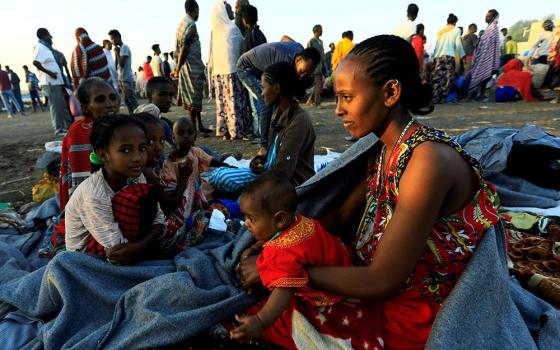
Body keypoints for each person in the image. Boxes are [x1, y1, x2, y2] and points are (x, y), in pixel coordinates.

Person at [237, 35, 500, 349]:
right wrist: (274, 242)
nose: (338, 110)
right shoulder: (385, 148)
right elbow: (340, 215)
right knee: (261, 305)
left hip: (415, 305)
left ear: (390, 92)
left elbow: (382, 281)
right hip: (369, 275)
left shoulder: (427, 162)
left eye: (347, 98)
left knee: (273, 319)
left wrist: (282, 271)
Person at [230, 172, 357, 348]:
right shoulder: (298, 220)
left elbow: (284, 290)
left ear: (280, 219)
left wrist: (261, 320)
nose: (246, 223)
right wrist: (254, 247)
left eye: (251, 218)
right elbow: (273, 233)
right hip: (342, 257)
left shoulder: (281, 254)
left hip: (333, 291)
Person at [64, 114, 165, 264]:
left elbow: (159, 218)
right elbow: (117, 250)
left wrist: (138, 247)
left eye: (142, 148)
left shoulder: (135, 176)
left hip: (131, 243)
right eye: (126, 150)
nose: (137, 157)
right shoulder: (95, 194)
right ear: (103, 155)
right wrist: (143, 245)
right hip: (85, 257)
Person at [210, 62, 316, 193]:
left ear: (276, 88)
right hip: (272, 173)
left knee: (224, 178)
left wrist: (256, 186)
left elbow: (283, 171)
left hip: (289, 183)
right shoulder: (277, 113)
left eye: (263, 87)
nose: (262, 92)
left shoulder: (299, 121)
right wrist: (259, 160)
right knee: (219, 174)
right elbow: (273, 153)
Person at [237, 42, 319, 147]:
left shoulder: (299, 49)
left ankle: (278, 131)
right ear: (298, 59)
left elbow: (284, 38)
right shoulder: (282, 62)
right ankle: (265, 143)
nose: (303, 76)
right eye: (302, 71)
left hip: (264, 67)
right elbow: (275, 90)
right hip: (247, 68)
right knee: (266, 101)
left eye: (308, 73)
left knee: (279, 99)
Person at [160, 117, 229, 242]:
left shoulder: (195, 151)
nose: (186, 136)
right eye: (181, 133)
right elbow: (172, 199)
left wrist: (228, 166)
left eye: (190, 133)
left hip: (197, 198)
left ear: (195, 137)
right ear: (173, 138)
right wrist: (185, 175)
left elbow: (211, 160)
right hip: (181, 204)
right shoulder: (169, 163)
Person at [59, 77, 120, 211]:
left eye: (113, 97)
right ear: (86, 108)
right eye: (100, 100)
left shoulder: (118, 125)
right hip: (91, 207)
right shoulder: (80, 132)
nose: (110, 104)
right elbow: (83, 185)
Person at [208, 0, 250, 140]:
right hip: (232, 71)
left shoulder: (216, 31)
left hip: (219, 73)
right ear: (224, 12)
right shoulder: (232, 29)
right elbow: (240, 50)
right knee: (234, 102)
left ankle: (224, 129)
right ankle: (236, 130)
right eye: (229, 9)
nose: (232, 11)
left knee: (223, 103)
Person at [172, 0, 211, 134]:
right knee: (193, 99)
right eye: (198, 11)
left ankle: (199, 125)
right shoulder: (190, 25)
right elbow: (184, 48)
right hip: (190, 67)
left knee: (196, 98)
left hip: (189, 65)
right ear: (194, 10)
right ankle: (193, 128)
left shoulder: (182, 23)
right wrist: (177, 68)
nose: (198, 14)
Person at [33, 28, 73, 135]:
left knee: (62, 105)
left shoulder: (48, 49)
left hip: (57, 82)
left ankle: (68, 127)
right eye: (49, 35)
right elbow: (36, 63)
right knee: (56, 106)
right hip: (50, 82)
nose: (51, 37)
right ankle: (58, 129)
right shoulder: (40, 47)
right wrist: (50, 73)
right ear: (44, 36)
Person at [464, 9, 501, 100]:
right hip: (481, 56)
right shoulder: (489, 28)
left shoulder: (493, 29)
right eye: (486, 16)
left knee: (485, 76)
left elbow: (490, 44)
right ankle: (478, 94)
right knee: (480, 75)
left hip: (487, 56)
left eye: (488, 16)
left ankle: (479, 94)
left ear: (493, 17)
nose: (486, 18)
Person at [432, 14, 466, 103]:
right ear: (455, 22)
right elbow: (458, 44)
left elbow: (437, 45)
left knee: (438, 78)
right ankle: (443, 97)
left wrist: (434, 56)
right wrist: (462, 55)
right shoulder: (456, 30)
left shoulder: (441, 31)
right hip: (448, 56)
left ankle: (435, 97)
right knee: (448, 78)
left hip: (438, 56)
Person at [108, 29, 138, 114]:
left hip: (126, 79)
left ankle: (139, 116)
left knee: (132, 100)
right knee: (127, 101)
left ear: (118, 37)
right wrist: (116, 53)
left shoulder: (125, 47)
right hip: (122, 79)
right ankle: (132, 116)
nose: (112, 41)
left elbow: (122, 64)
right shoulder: (120, 49)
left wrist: (117, 53)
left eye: (112, 39)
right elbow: (116, 65)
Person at [138, 76, 175, 144]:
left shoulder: (141, 110)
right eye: (162, 95)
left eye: (171, 95)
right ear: (149, 96)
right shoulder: (150, 119)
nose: (168, 100)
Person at [134, 112, 166, 186]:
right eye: (150, 142)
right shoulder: (143, 174)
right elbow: (165, 197)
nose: (158, 147)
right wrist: (184, 178)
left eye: (161, 141)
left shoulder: (155, 167)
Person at [528, 20, 555, 89]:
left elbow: (534, 45)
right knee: (550, 71)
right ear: (551, 27)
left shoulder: (542, 34)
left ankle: (542, 85)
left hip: (543, 55)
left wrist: (530, 55)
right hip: (553, 56)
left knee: (543, 71)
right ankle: (548, 86)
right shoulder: (554, 34)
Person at [306, 24, 325, 107]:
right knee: (318, 84)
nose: (322, 31)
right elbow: (308, 54)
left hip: (320, 66)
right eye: (321, 29)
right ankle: (317, 103)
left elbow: (322, 55)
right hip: (314, 67)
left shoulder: (321, 41)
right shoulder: (311, 41)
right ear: (316, 31)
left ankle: (309, 101)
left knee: (317, 85)